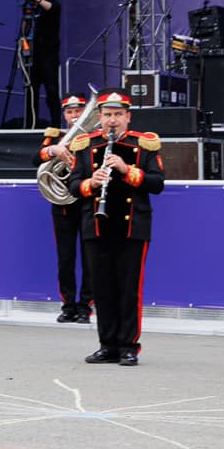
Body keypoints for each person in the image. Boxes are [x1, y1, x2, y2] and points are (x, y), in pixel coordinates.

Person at [73, 91, 166, 366]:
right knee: (101, 288)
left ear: (128, 117)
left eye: (117, 115)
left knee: (128, 289)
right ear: (99, 117)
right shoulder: (85, 146)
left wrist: (127, 170)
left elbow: (157, 183)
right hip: (96, 224)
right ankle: (107, 344)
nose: (112, 121)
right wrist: (91, 182)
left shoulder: (144, 145)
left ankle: (128, 346)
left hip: (132, 226)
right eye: (107, 115)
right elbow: (73, 185)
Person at [40, 94, 95, 324]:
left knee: (89, 257)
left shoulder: (94, 137)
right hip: (62, 205)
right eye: (70, 112)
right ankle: (68, 305)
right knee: (65, 258)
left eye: (79, 111)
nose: (74, 116)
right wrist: (54, 151)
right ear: (64, 115)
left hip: (86, 202)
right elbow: (37, 159)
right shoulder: (55, 137)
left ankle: (86, 307)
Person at [20, 0, 62, 129]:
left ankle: (56, 125)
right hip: (33, 55)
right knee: (31, 91)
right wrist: (27, 11)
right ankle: (31, 125)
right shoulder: (30, 5)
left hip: (49, 55)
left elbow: (52, 8)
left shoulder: (50, 1)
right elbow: (24, 31)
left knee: (51, 91)